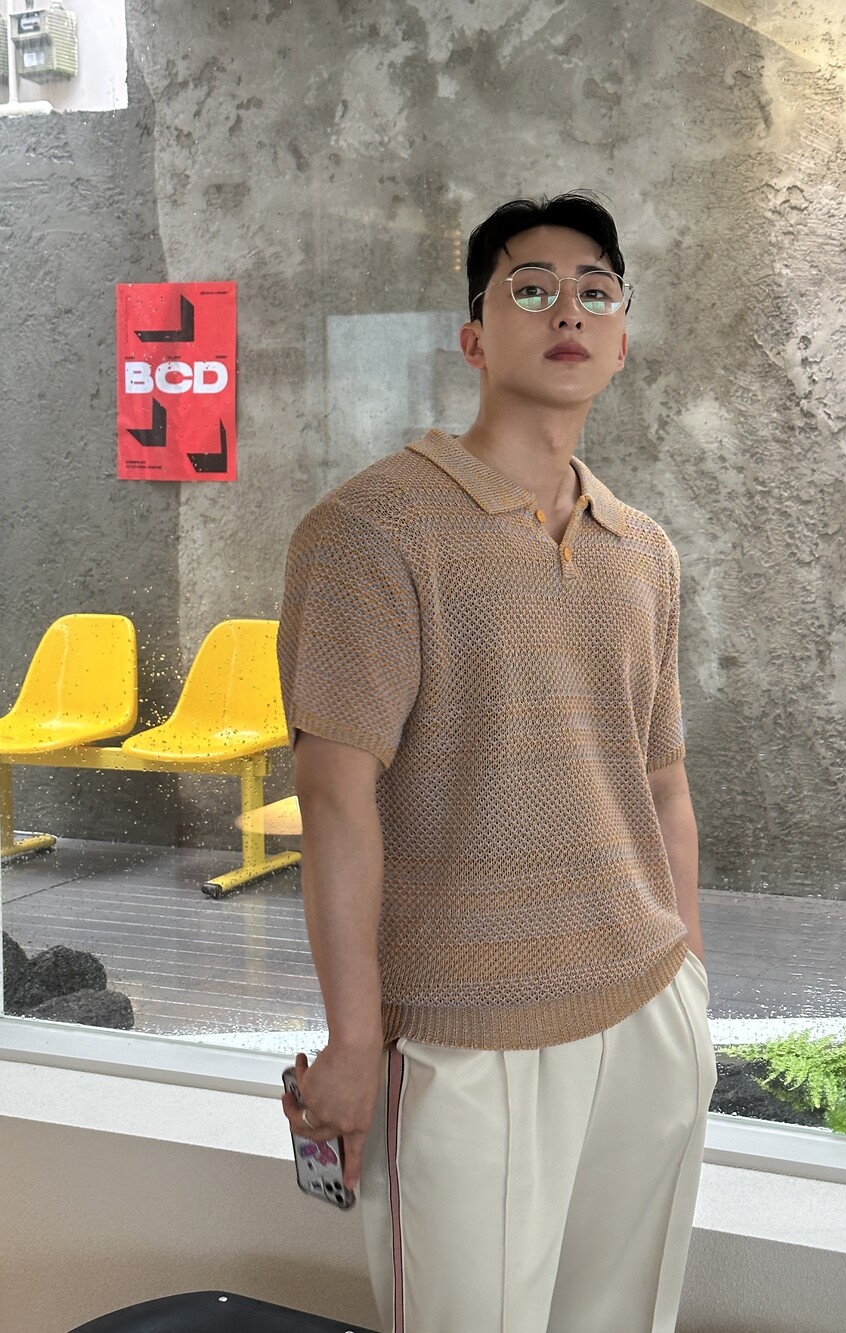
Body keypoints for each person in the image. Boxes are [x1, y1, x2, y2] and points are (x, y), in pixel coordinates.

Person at [277, 191, 716, 1333]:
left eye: (595, 291)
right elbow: (334, 796)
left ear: (621, 340)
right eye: (531, 288)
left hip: (647, 1010)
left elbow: (661, 780)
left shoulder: (644, 550)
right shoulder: (370, 531)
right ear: (474, 337)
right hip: (460, 1033)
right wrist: (353, 1039)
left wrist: (691, 978)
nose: (567, 310)